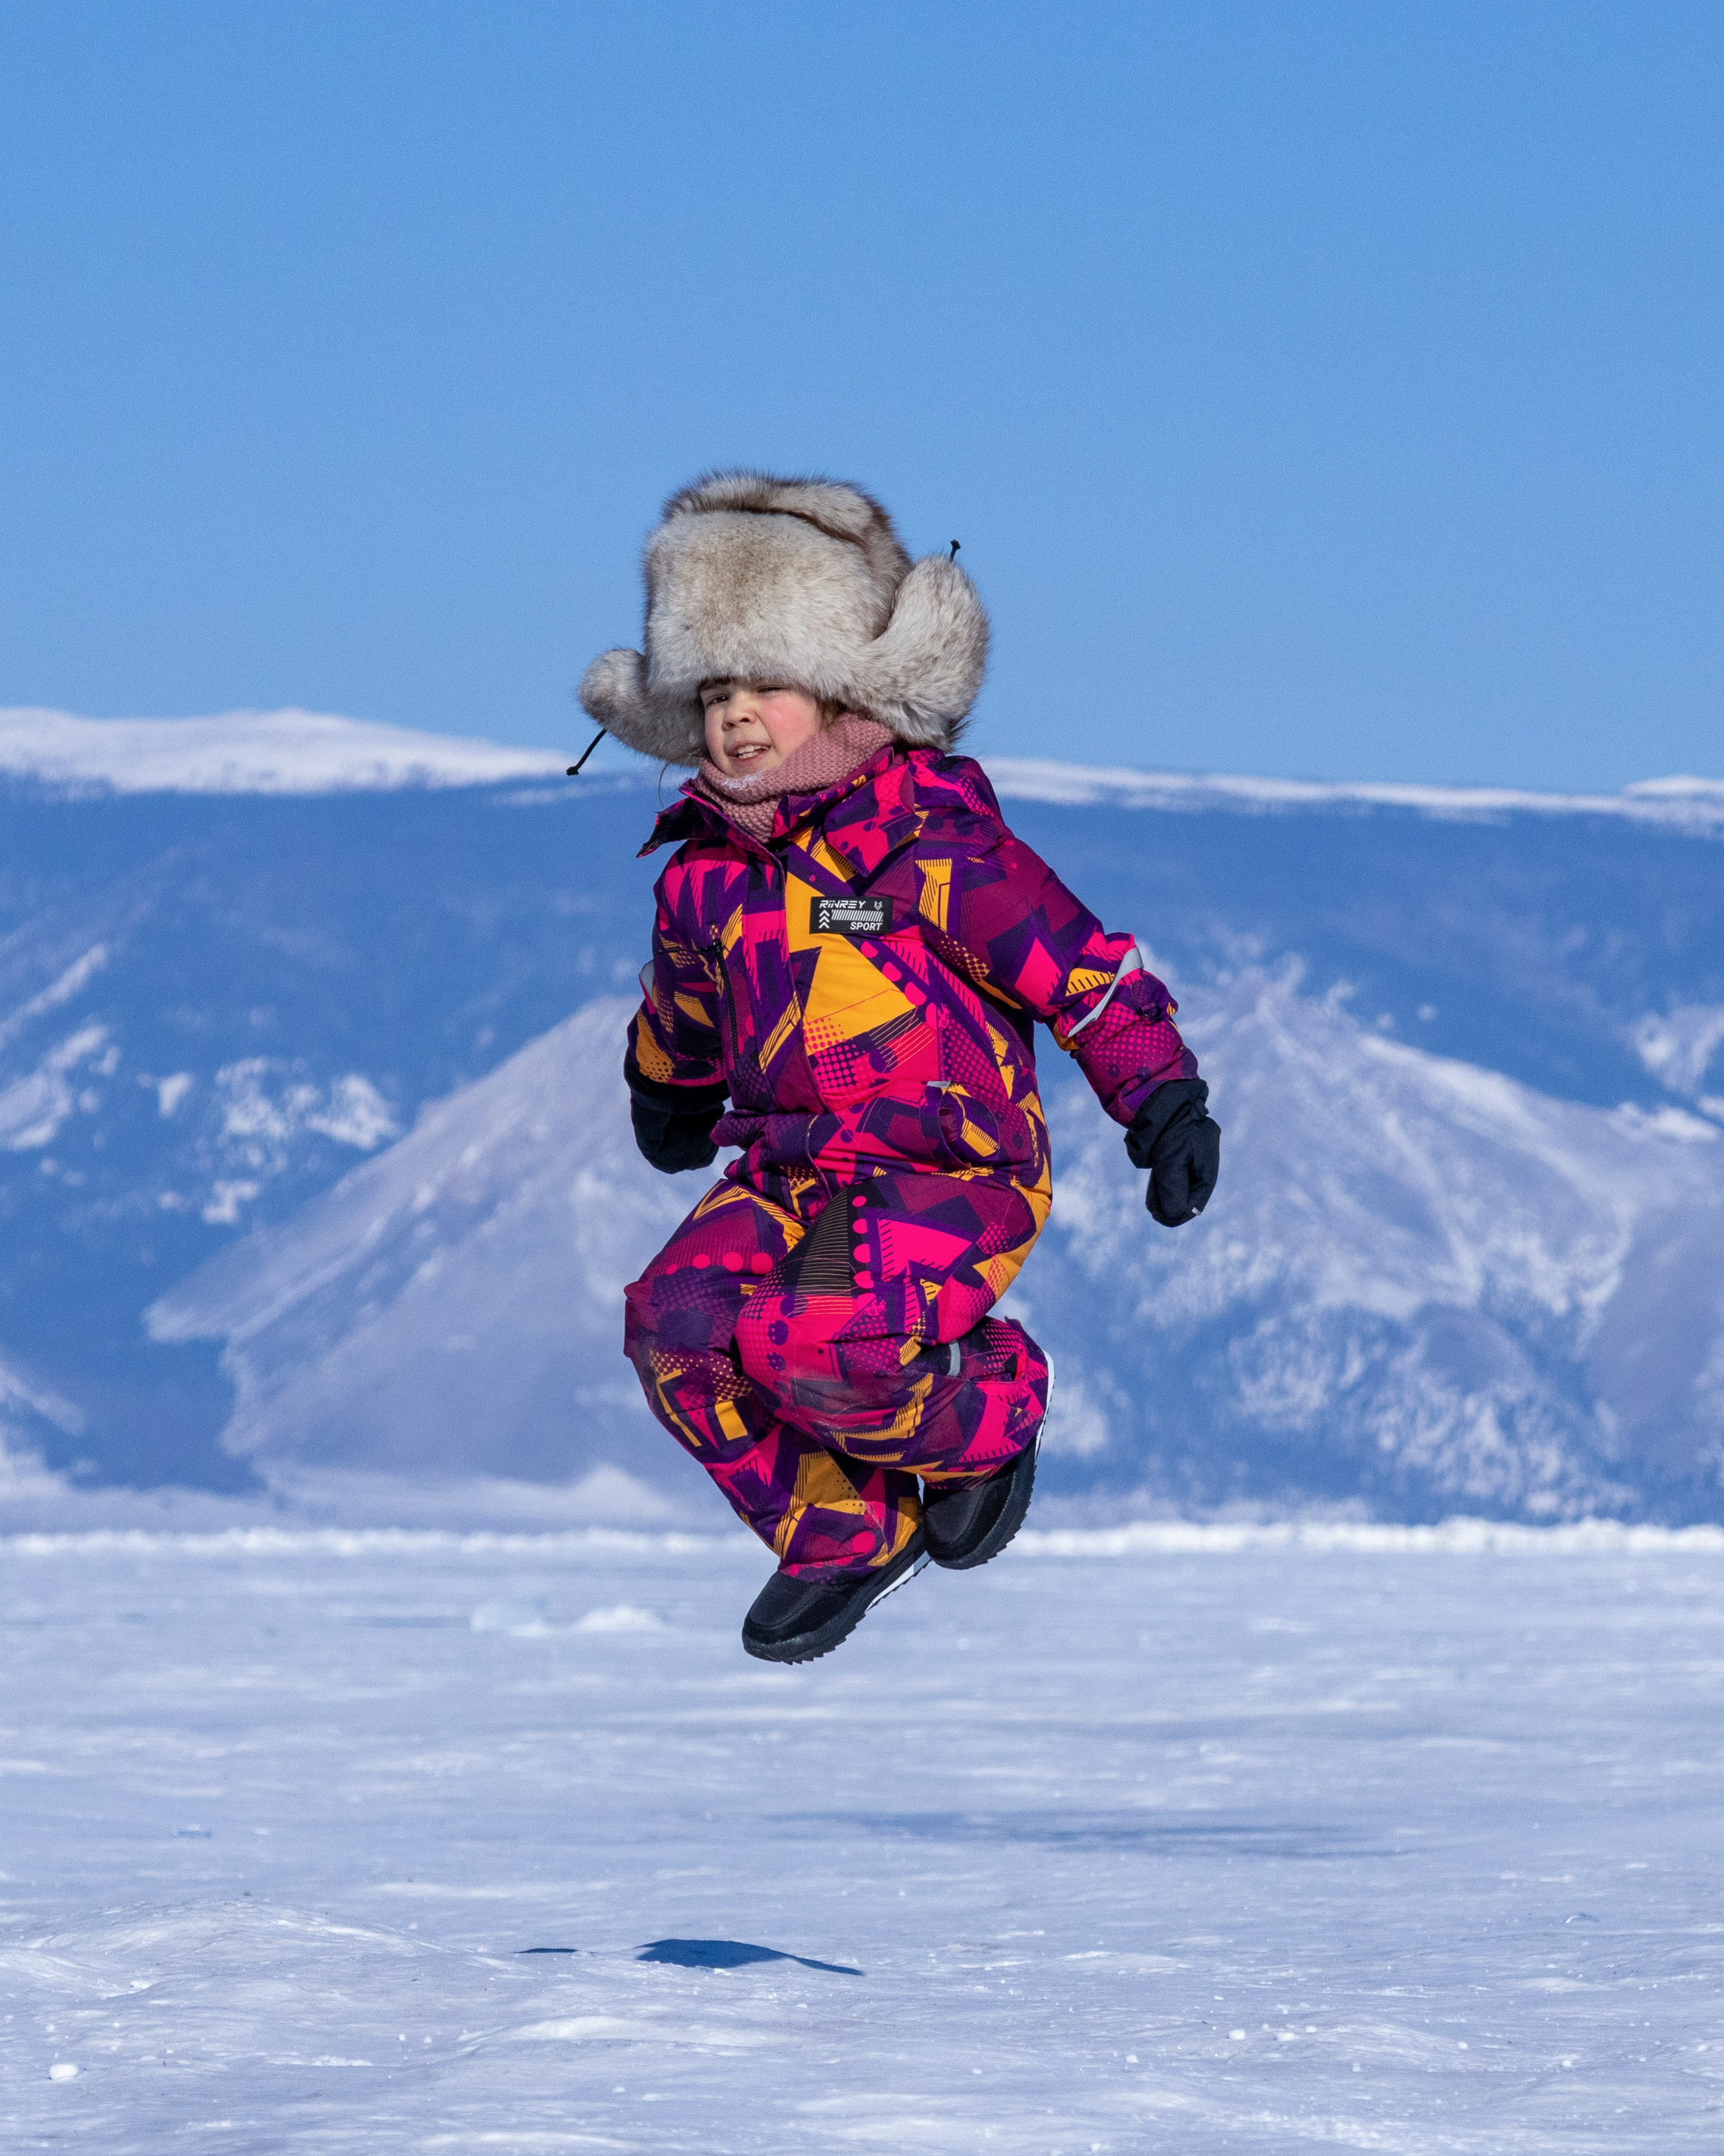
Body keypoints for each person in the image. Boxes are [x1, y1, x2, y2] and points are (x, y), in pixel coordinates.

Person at [579, 472, 1219, 1664]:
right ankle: (840, 1523)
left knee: (807, 1337)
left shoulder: (931, 837)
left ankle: (990, 1414)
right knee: (675, 1321)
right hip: (792, 1175)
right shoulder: (703, 874)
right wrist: (664, 1086)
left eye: (764, 681)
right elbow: (681, 1003)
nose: (735, 716)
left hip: (949, 1170)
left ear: (839, 688)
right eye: (713, 690)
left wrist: (1163, 1095)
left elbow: (1077, 964)